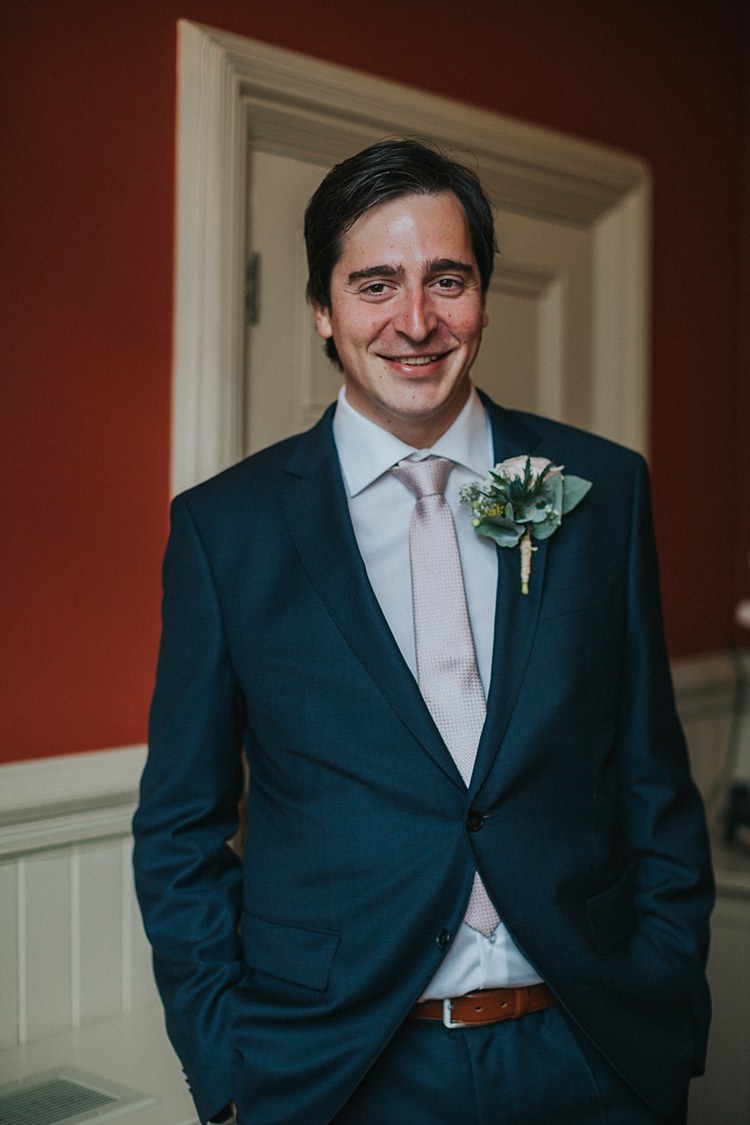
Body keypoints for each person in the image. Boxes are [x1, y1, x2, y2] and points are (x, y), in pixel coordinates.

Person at [133, 139, 713, 1125]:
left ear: (483, 295)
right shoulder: (225, 530)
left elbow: (651, 777)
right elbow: (179, 827)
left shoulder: (603, 490)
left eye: (448, 279)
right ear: (323, 309)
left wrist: (666, 993)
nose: (416, 320)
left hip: (592, 1053)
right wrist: (227, 1068)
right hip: (347, 1073)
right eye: (376, 285)